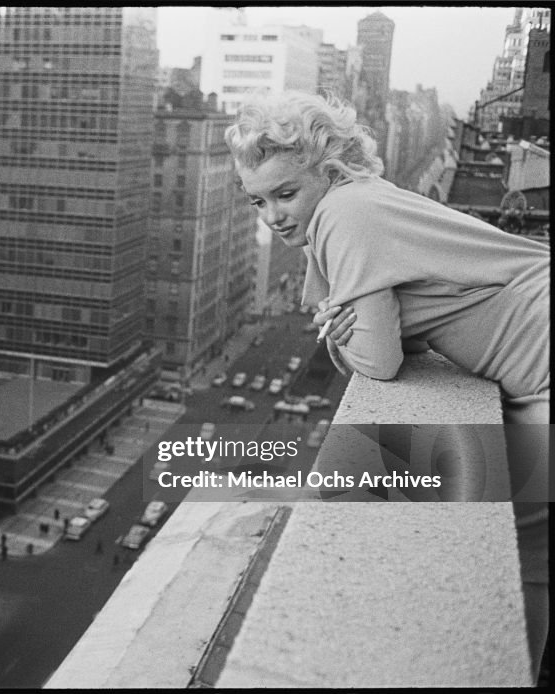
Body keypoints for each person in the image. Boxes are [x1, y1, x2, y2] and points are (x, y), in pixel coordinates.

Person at [225, 90, 550, 681]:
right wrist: (354, 329)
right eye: (257, 200)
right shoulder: (355, 205)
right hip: (533, 363)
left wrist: (337, 332)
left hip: (543, 358)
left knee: (528, 561)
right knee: (529, 558)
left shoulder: (347, 215)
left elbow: (377, 361)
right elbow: (408, 337)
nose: (271, 215)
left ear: (328, 172)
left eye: (286, 192)